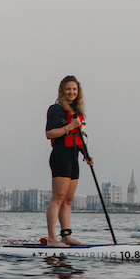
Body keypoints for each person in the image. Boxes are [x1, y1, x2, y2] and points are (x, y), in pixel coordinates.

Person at [44, 76, 91, 246]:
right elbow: (49, 133)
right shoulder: (56, 109)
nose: (72, 92)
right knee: (58, 197)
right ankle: (51, 239)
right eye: (68, 89)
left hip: (74, 157)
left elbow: (80, 138)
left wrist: (86, 155)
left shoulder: (78, 113)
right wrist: (69, 126)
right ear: (62, 90)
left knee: (68, 200)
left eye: (74, 89)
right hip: (60, 155)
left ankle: (66, 236)